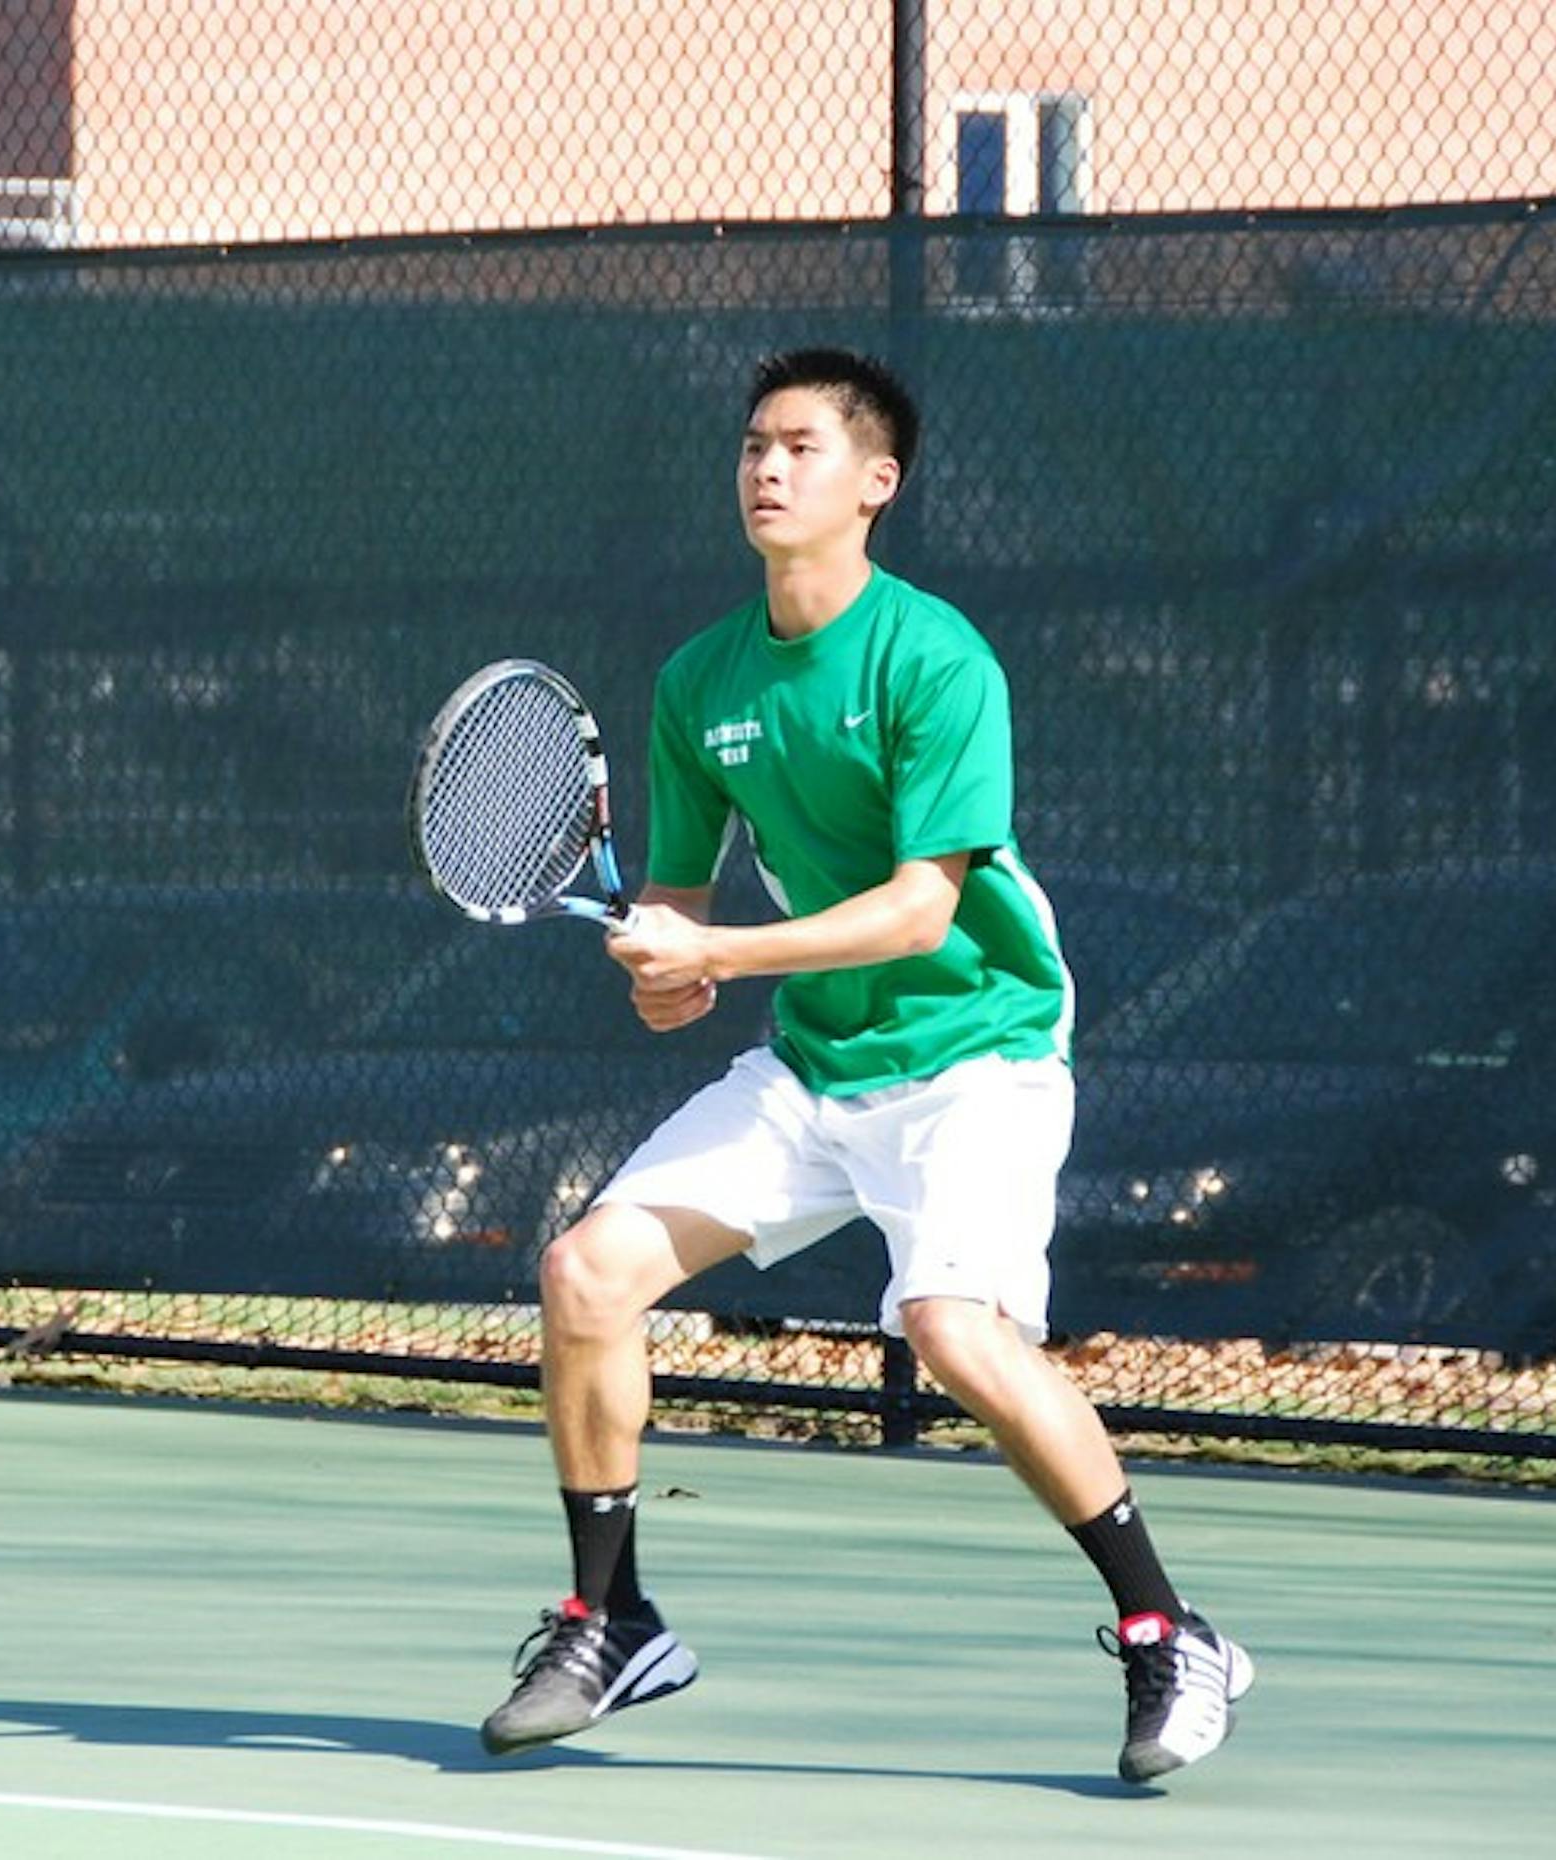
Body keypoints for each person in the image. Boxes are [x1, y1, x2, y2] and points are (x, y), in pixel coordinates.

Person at [478, 347, 1252, 1783]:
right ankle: (611, 1618)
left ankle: (1166, 1630)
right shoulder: (700, 678)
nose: (766, 471)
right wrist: (669, 972)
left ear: (874, 484)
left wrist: (725, 960)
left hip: (978, 1058)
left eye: (801, 448)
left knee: (957, 1333)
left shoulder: (935, 659)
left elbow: (921, 907)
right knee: (587, 1274)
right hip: (814, 1070)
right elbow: (690, 922)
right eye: (753, 449)